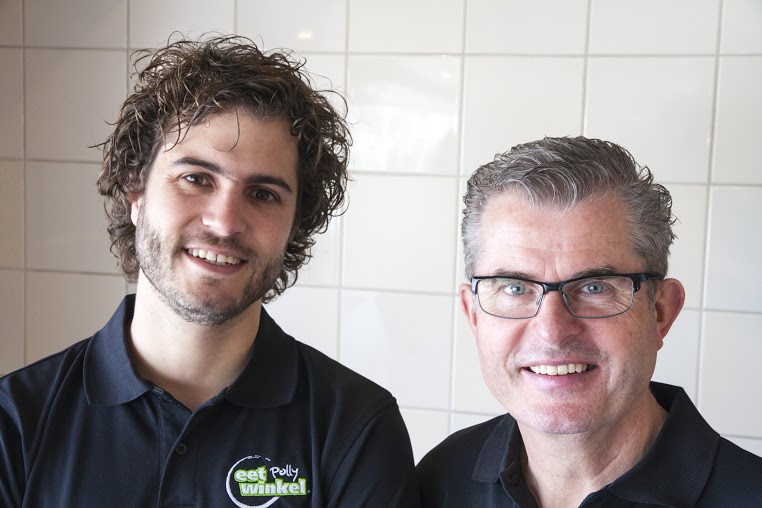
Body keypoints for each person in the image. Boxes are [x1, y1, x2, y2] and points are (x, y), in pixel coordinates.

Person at [0, 35, 418, 507]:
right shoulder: (15, 422)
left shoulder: (355, 429)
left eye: (263, 194)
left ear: (294, 225)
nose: (224, 222)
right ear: (136, 193)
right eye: (196, 179)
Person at [416, 136, 762, 507]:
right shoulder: (439, 480)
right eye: (515, 288)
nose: (552, 331)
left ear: (660, 312)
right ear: (473, 314)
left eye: (594, 287)